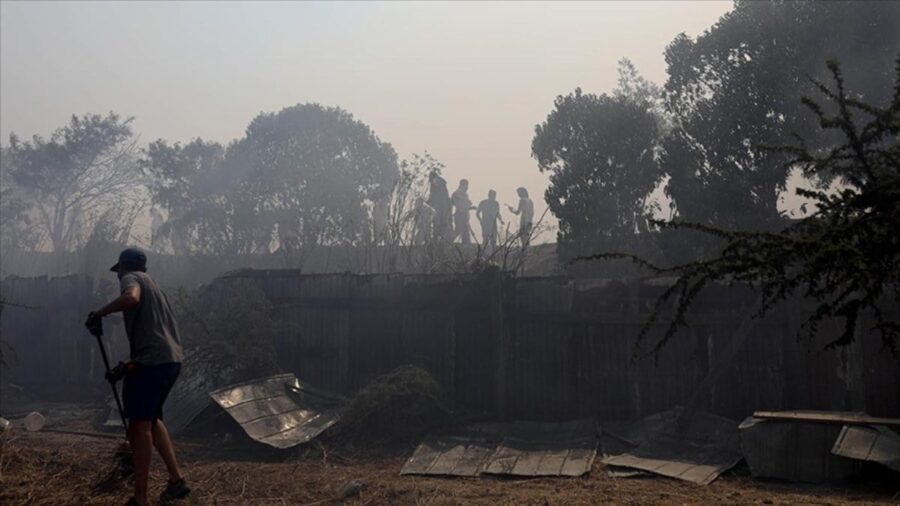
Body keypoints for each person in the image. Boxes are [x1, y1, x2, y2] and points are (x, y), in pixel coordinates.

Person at [88, 248, 189, 506]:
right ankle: (176, 481)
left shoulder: (130, 279)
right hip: (171, 359)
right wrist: (129, 365)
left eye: (118, 270)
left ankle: (140, 498)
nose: (118, 276)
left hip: (154, 362)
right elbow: (157, 335)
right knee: (152, 420)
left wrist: (100, 313)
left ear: (124, 267)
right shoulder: (156, 287)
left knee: (139, 426)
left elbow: (131, 298)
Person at [427, 174, 452, 241]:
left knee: (438, 221)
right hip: (443, 206)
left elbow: (433, 195)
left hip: (440, 207)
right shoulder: (442, 184)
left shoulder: (436, 181)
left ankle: (437, 237)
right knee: (442, 222)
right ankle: (441, 237)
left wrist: (429, 201)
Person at [451, 179, 475, 244]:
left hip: (465, 216)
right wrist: (469, 206)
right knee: (458, 231)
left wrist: (470, 206)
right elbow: (460, 206)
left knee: (465, 235)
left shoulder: (465, 194)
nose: (467, 187)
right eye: (466, 185)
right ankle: (448, 242)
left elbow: (466, 205)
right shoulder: (457, 194)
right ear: (462, 185)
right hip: (460, 215)